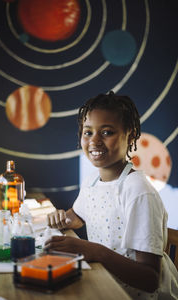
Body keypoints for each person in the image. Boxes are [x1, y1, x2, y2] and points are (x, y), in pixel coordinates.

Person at [45, 91, 178, 299]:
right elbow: (79, 216)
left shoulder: (138, 191)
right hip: (106, 283)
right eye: (88, 132)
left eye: (106, 132)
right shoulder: (92, 181)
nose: (94, 141)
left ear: (131, 135)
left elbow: (149, 279)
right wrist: (62, 218)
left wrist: (94, 251)